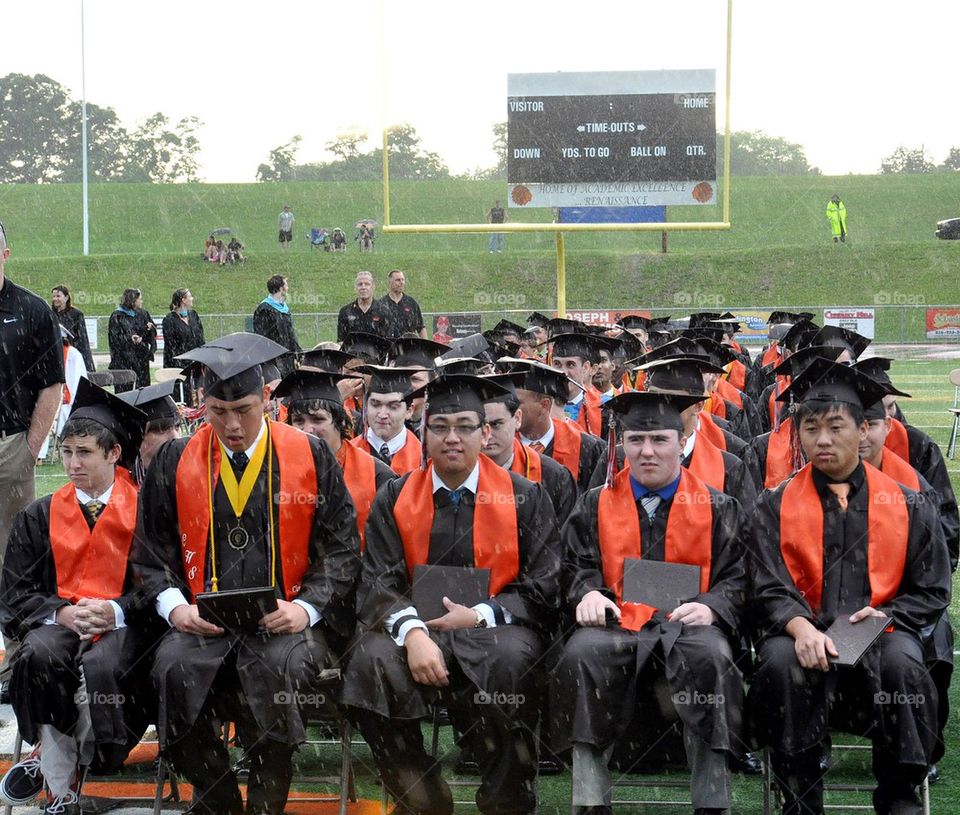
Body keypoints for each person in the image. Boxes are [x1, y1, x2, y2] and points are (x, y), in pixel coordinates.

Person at [131, 333, 362, 815]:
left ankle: (265, 803)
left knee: (279, 671)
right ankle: (218, 800)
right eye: (218, 410)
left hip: (283, 622)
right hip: (203, 622)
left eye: (244, 409)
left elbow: (341, 549)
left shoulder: (309, 456)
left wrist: (306, 608)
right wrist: (174, 607)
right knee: (169, 670)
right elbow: (150, 551)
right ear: (202, 404)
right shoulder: (175, 461)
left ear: (268, 399)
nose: (232, 425)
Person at [340, 374, 560, 815]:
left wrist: (480, 614)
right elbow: (378, 579)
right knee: (368, 663)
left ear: (486, 433)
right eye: (439, 426)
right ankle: (420, 792)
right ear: (424, 433)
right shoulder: (396, 496)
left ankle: (507, 800)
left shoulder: (525, 497)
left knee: (513, 663)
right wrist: (413, 632)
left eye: (465, 426)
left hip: (497, 628)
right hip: (414, 627)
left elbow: (546, 582)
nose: (452, 438)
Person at [748, 359, 949, 815]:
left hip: (882, 631)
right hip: (803, 634)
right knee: (781, 664)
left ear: (864, 431)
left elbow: (932, 588)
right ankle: (800, 794)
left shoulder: (910, 502)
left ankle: (899, 794)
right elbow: (765, 584)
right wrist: (800, 628)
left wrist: (890, 615)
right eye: (811, 427)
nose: (822, 439)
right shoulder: (774, 506)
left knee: (904, 668)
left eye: (836, 426)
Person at [551, 390, 748, 815]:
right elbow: (573, 565)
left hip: (690, 626)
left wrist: (713, 606)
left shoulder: (718, 506)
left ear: (681, 442)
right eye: (636, 440)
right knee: (580, 654)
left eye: (659, 440)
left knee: (713, 658)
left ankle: (712, 802)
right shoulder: (595, 503)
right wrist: (586, 592)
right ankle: (589, 801)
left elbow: (740, 575)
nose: (647, 451)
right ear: (621, 444)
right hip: (616, 625)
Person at [0, 379, 154, 815]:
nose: (71, 464)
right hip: (59, 623)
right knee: (39, 656)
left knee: (106, 668)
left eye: (84, 453)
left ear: (113, 453)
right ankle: (63, 788)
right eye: (66, 452)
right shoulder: (40, 515)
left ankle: (66, 763)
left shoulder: (143, 511)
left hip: (124, 627)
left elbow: (160, 585)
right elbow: (15, 590)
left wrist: (115, 611)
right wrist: (62, 614)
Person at [0, 219, 65, 697]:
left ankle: (14, 660)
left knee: (14, 556)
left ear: (5, 253)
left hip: (9, 446)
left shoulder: (32, 309)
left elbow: (51, 384)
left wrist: (32, 446)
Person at [274, 368, 395, 551]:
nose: (307, 430)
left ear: (340, 423)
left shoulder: (379, 476)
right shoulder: (276, 473)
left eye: (317, 419)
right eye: (299, 420)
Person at [350, 365, 423, 475]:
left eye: (393, 406)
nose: (382, 414)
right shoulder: (347, 454)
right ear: (365, 406)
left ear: (409, 411)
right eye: (375, 404)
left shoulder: (424, 459)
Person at [118, 380, 182, 486]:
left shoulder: (190, 474)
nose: (176, 436)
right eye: (162, 430)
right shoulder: (119, 488)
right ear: (138, 437)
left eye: (177, 427)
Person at [107, 288, 156, 391]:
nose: (141, 301)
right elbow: (114, 339)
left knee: (143, 390)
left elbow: (151, 333)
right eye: (140, 299)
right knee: (125, 391)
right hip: (124, 361)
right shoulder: (117, 316)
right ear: (132, 300)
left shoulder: (143, 314)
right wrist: (129, 339)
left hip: (141, 360)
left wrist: (149, 329)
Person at [253, 275, 301, 377]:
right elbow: (261, 335)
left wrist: (297, 351)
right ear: (280, 288)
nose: (288, 288)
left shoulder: (283, 308)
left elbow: (290, 332)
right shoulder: (264, 309)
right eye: (286, 285)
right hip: (273, 358)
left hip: (287, 357)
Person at [50, 285, 95, 372]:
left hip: (71, 355)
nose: (55, 299)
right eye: (54, 296)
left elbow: (82, 340)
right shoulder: (50, 314)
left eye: (58, 296)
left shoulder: (76, 315)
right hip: (56, 356)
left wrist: (86, 364)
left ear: (66, 297)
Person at [337, 271, 392, 341]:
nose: (363, 287)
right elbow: (341, 341)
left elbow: (388, 342)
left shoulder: (384, 311)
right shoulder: (345, 311)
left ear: (373, 287)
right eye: (360, 284)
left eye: (367, 284)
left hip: (376, 351)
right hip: (351, 352)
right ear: (355, 288)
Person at [162, 288, 205, 369]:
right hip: (178, 364)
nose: (192, 298)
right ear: (183, 300)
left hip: (196, 361)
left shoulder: (193, 315)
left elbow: (201, 339)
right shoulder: (169, 320)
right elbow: (170, 346)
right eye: (190, 296)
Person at [380, 269, 427, 339]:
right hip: (388, 347)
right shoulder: (381, 304)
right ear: (390, 282)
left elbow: (421, 328)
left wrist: (426, 347)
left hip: (409, 346)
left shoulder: (411, 303)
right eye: (398, 280)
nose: (401, 282)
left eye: (403, 280)